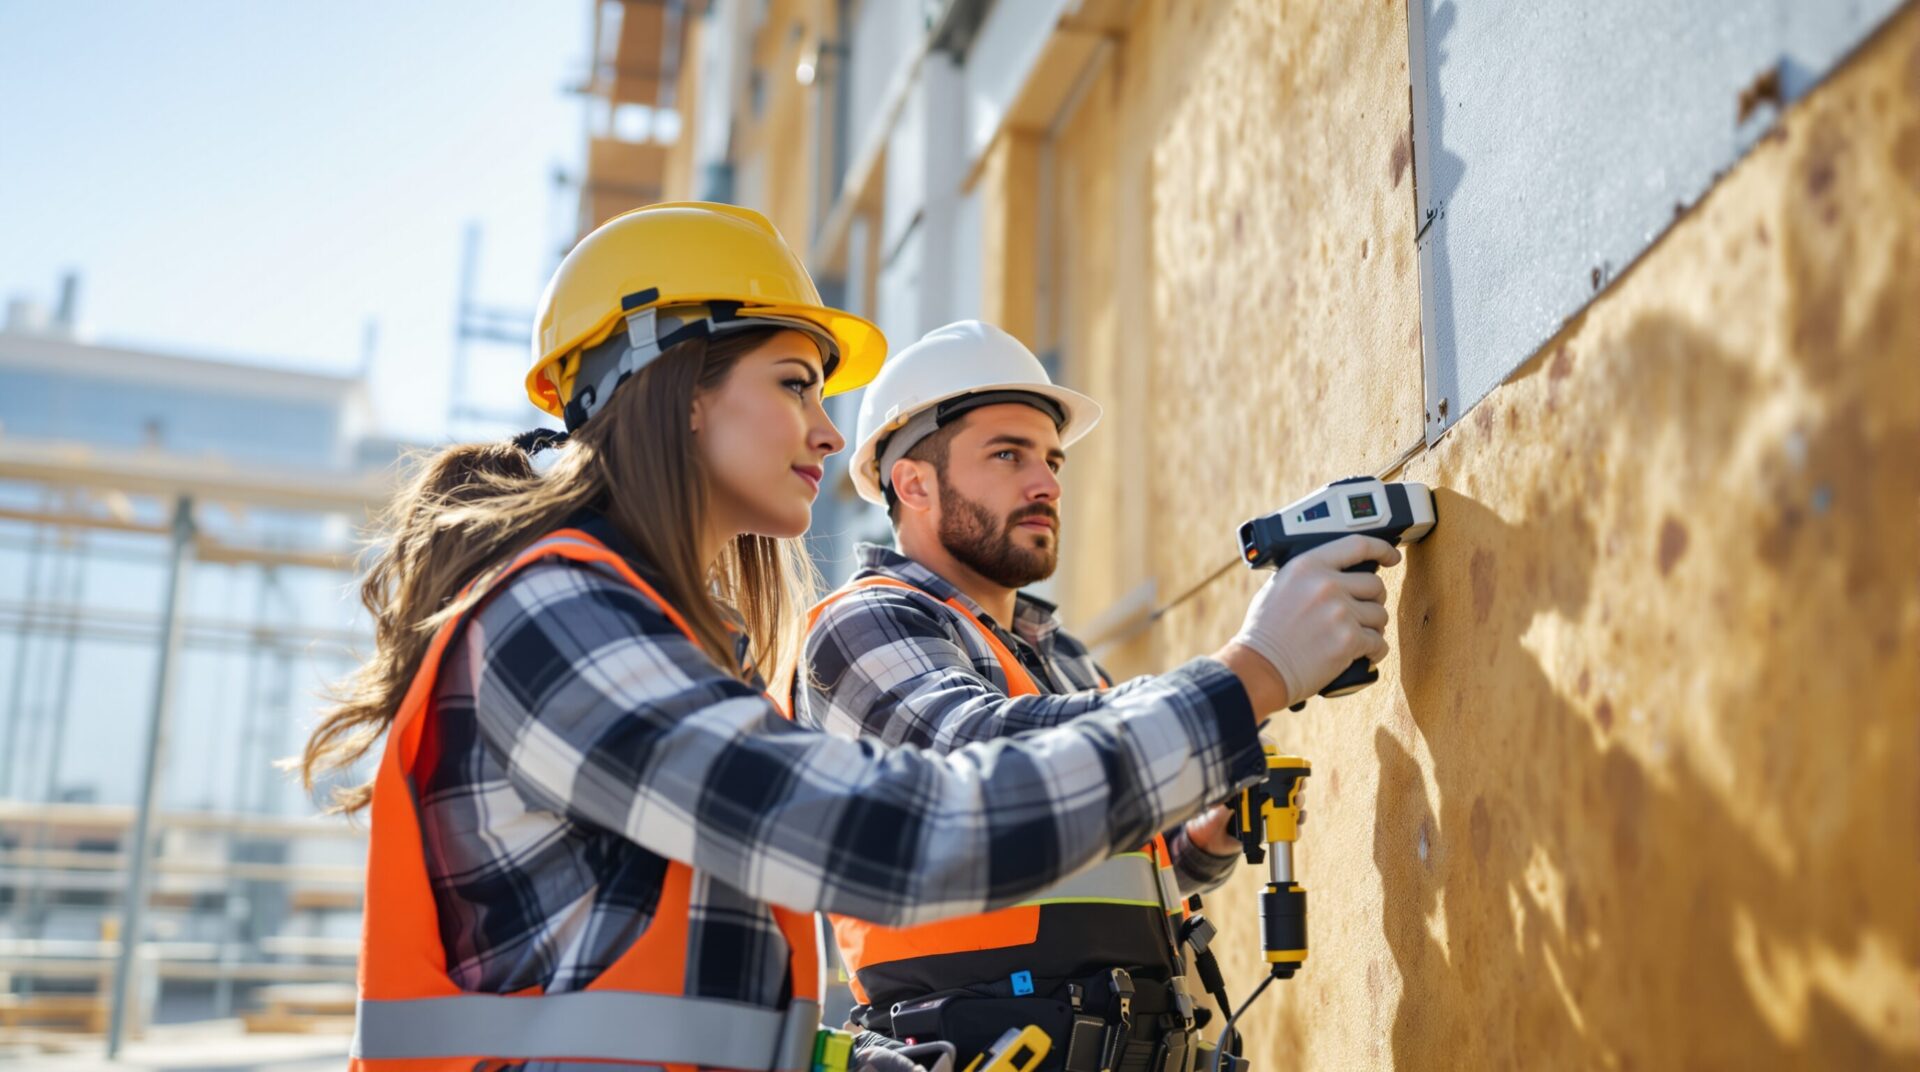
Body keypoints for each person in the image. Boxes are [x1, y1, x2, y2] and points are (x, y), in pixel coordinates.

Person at [299, 203, 1384, 1072]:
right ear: (678, 390)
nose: (827, 432)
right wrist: (1248, 676)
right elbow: (903, 835)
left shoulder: (653, 637)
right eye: (794, 385)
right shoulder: (555, 622)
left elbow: (691, 1000)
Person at [793, 320, 1400, 1070]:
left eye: (1051, 459)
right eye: (1008, 454)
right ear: (913, 483)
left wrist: (1201, 839)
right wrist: (1251, 672)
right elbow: (984, 771)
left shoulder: (1066, 661)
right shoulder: (860, 624)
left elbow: (1100, 857)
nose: (1047, 483)